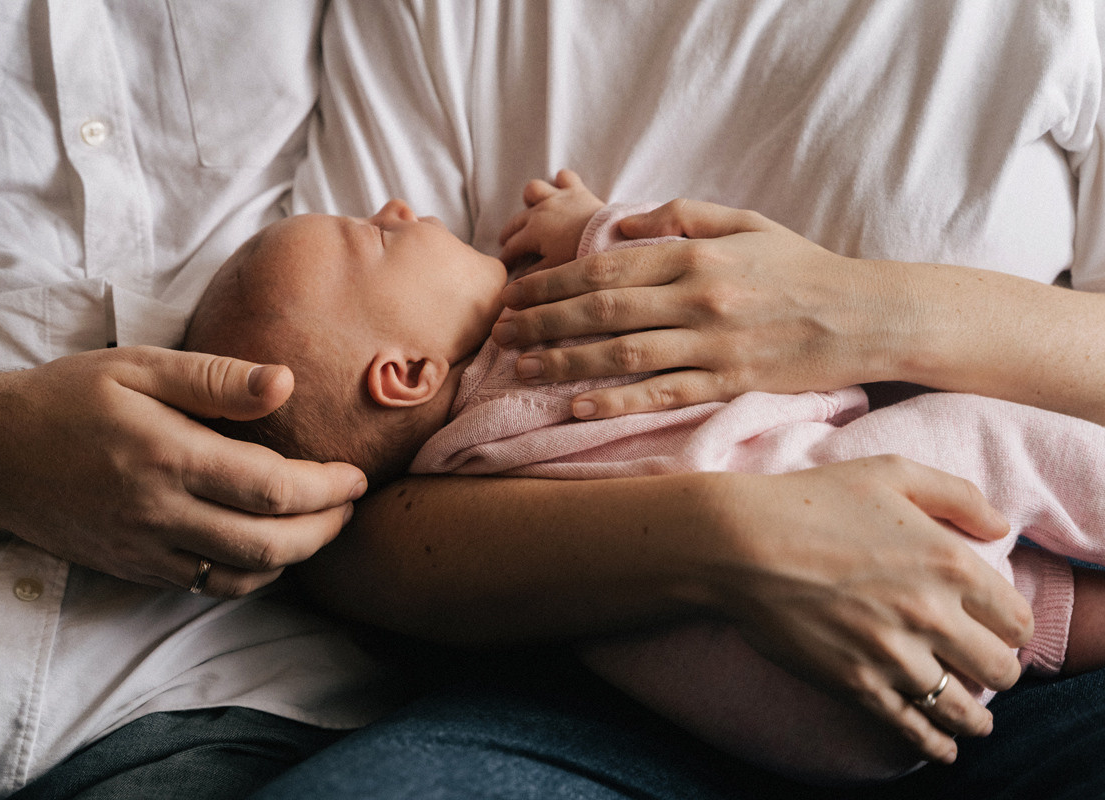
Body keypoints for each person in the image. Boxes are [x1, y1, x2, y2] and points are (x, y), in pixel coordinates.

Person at [0, 2, 1093, 800]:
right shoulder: (440, 45)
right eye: (381, 234)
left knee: (980, 480)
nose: (403, 214)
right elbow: (360, 513)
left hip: (915, 583)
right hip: (602, 662)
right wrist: (736, 541)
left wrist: (863, 308)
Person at [185, 171, 1105, 784]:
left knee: (992, 587)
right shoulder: (531, 338)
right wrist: (581, 222)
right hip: (838, 535)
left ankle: (1052, 630)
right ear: (406, 376)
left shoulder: (457, 464)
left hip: (807, 723)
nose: (393, 209)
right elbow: (654, 270)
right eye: (375, 242)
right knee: (985, 444)